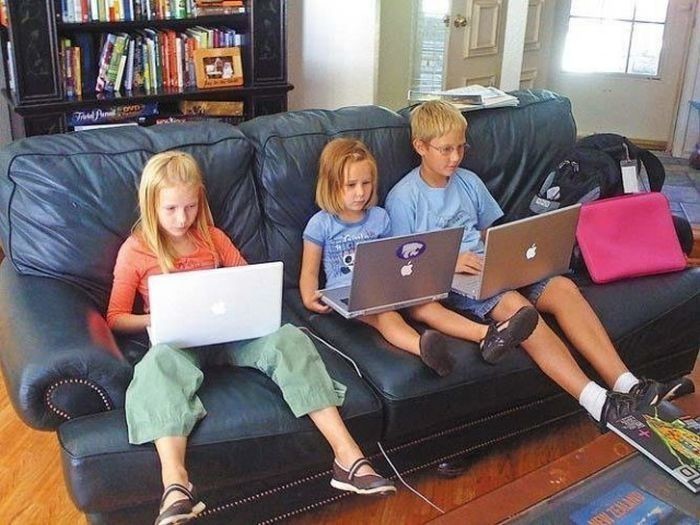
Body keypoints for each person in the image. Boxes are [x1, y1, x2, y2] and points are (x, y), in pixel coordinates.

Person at [106, 151, 396, 525]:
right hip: (177, 342)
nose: (182, 218)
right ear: (151, 205)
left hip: (231, 333)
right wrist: (158, 317)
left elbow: (248, 282)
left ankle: (348, 457)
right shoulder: (136, 250)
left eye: (190, 207)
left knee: (289, 339)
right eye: (171, 209)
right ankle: (176, 484)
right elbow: (115, 318)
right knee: (155, 367)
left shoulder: (213, 238)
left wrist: (244, 305)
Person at [385, 100, 694, 429]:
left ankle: (629, 385)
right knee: (518, 309)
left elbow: (490, 233)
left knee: (562, 288)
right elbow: (405, 264)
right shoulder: (405, 198)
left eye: (461, 147)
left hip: (491, 266)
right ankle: (598, 402)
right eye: (446, 149)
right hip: (454, 281)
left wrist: (512, 252)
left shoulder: (468, 182)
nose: (455, 157)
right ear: (420, 146)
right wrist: (452, 261)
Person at [300, 138, 538, 377]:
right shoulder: (321, 224)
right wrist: (310, 297)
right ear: (330, 185)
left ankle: (488, 336)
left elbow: (395, 257)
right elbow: (309, 271)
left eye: (366, 183)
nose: (360, 192)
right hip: (350, 293)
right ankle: (424, 349)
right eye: (350, 185)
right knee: (386, 317)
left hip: (387, 287)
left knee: (426, 305)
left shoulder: (380, 218)